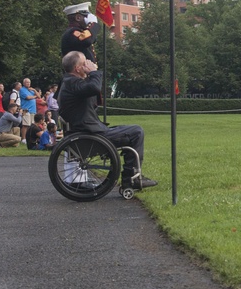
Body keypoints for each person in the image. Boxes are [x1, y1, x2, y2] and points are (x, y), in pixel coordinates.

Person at [58, 51, 157, 190]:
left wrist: (90, 75)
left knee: (129, 130)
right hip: (90, 135)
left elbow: (91, 92)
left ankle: (132, 175)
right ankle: (131, 178)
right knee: (136, 132)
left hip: (88, 131)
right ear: (78, 68)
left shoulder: (71, 82)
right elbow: (94, 87)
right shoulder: (72, 83)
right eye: (85, 62)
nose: (89, 63)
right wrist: (94, 72)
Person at [19, 78, 41, 143]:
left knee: (31, 125)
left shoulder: (31, 90)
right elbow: (28, 97)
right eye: (27, 82)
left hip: (33, 110)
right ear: (24, 83)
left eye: (29, 82)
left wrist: (34, 90)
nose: (28, 84)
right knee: (25, 125)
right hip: (26, 110)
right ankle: (23, 138)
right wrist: (34, 97)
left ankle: (29, 138)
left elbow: (39, 96)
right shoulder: (22, 90)